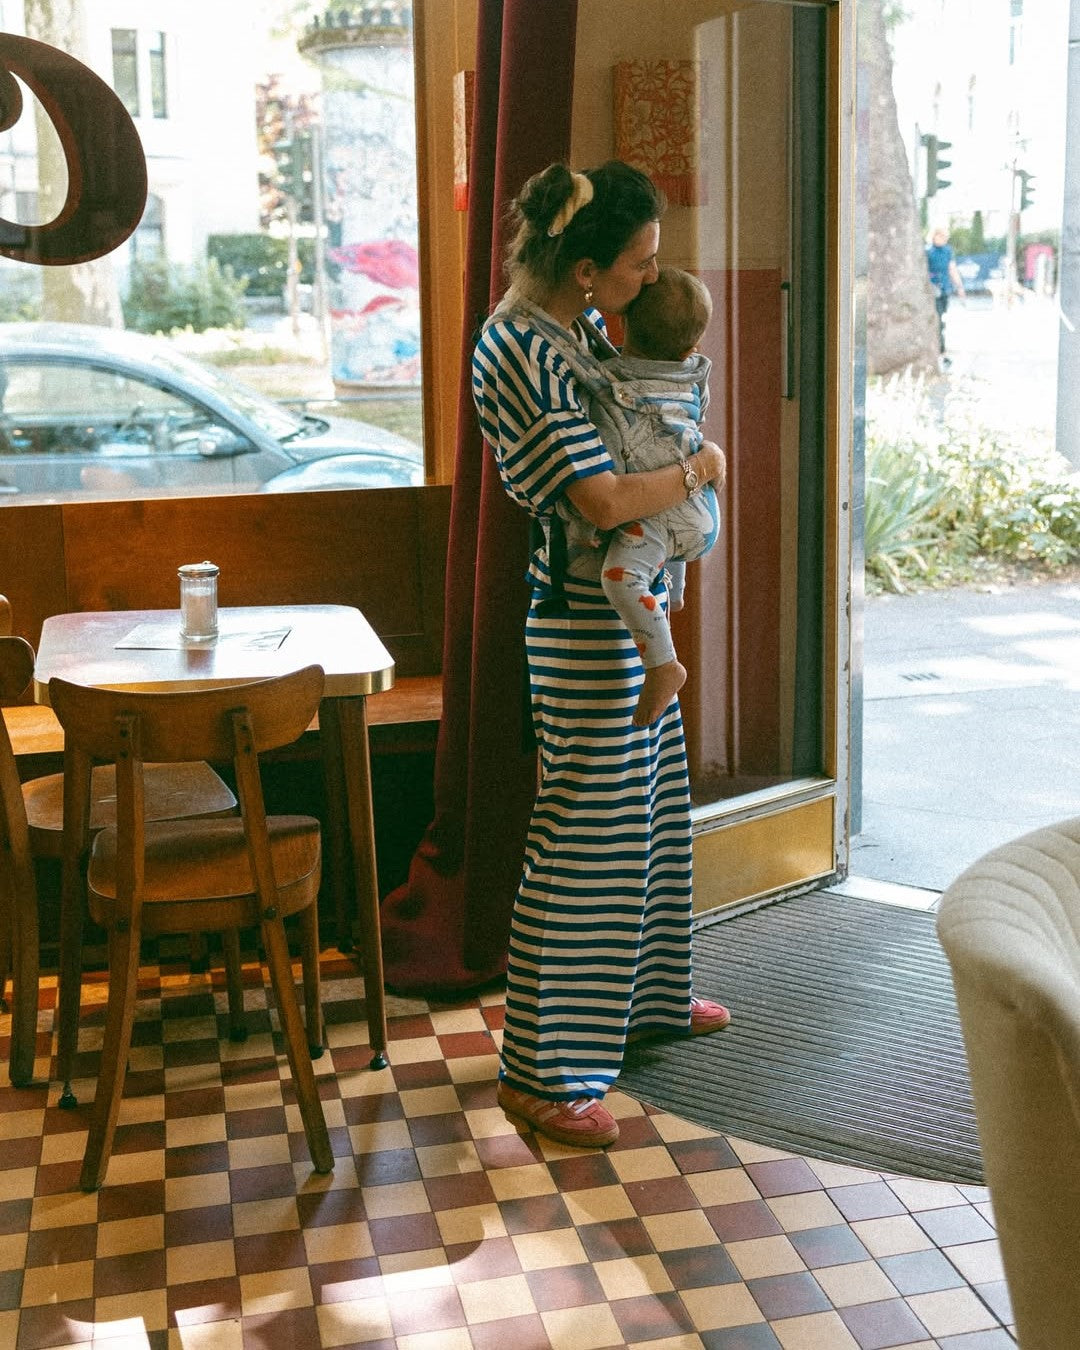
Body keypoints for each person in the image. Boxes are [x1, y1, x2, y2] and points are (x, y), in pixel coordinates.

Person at [471, 160, 732, 1151]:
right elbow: (601, 502)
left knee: (654, 816)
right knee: (584, 840)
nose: (651, 282)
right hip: (582, 618)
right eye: (639, 264)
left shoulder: (572, 331)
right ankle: (544, 1070)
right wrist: (698, 470)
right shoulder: (516, 350)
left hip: (624, 604)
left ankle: (649, 1000)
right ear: (585, 267)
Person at [554, 266, 719, 726]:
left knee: (620, 579)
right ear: (692, 347)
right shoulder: (695, 376)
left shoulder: (610, 381)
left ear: (623, 325)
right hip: (698, 511)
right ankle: (678, 591)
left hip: (653, 519)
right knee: (663, 512)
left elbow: (593, 376)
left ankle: (664, 666)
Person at [926, 227, 965, 364]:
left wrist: (959, 287)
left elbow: (952, 269)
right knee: (936, 321)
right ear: (934, 236)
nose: (943, 239)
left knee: (943, 320)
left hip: (944, 290)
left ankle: (942, 350)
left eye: (945, 236)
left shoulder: (948, 251)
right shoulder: (927, 251)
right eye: (940, 236)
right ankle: (940, 351)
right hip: (932, 290)